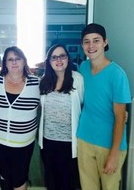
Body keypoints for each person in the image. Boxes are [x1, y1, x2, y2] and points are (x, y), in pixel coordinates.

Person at [77, 23, 131, 190]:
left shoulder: (117, 74)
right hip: (84, 139)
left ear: (105, 42)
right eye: (86, 41)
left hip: (109, 145)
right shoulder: (83, 68)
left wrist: (114, 155)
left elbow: (120, 117)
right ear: (82, 45)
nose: (91, 46)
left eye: (96, 40)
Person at [0, 46, 40, 190]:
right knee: (4, 175)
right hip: (0, 140)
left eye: (18, 58)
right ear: (5, 63)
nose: (14, 62)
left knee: (20, 178)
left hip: (24, 142)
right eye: (10, 59)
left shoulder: (36, 83)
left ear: (24, 61)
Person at [38, 44, 84, 190]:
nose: (58, 60)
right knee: (51, 183)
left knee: (67, 183)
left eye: (62, 56)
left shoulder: (77, 79)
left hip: (69, 143)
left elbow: (84, 104)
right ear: (49, 61)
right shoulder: (44, 81)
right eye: (54, 57)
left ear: (67, 58)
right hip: (48, 142)